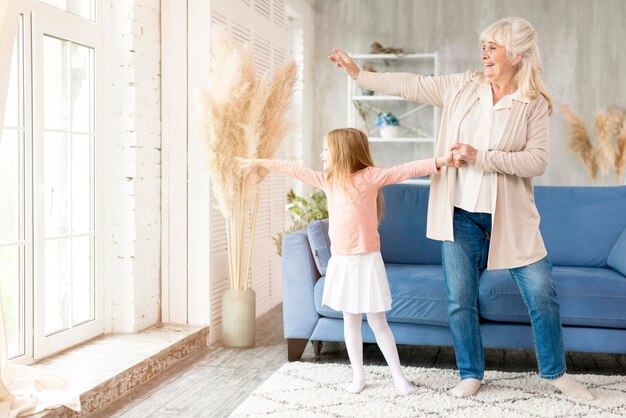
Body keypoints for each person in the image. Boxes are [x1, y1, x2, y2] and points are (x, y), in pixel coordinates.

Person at [329, 17, 594, 400]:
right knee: (459, 299)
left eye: (493, 47)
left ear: (516, 55)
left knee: (541, 292)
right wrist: (360, 75)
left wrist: (480, 156)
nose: (484, 53)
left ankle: (555, 373)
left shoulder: (532, 104)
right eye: (483, 45)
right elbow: (413, 85)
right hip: (458, 211)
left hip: (511, 217)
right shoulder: (462, 86)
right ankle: (471, 373)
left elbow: (537, 160)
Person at [237, 128, 454, 394]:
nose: (321, 154)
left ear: (342, 151)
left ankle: (399, 378)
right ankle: (358, 376)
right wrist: (260, 163)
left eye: (326, 149)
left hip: (367, 262)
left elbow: (406, 169)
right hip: (343, 263)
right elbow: (292, 169)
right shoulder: (328, 181)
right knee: (350, 321)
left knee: (378, 322)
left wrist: (443, 160)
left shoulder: (371, 177)